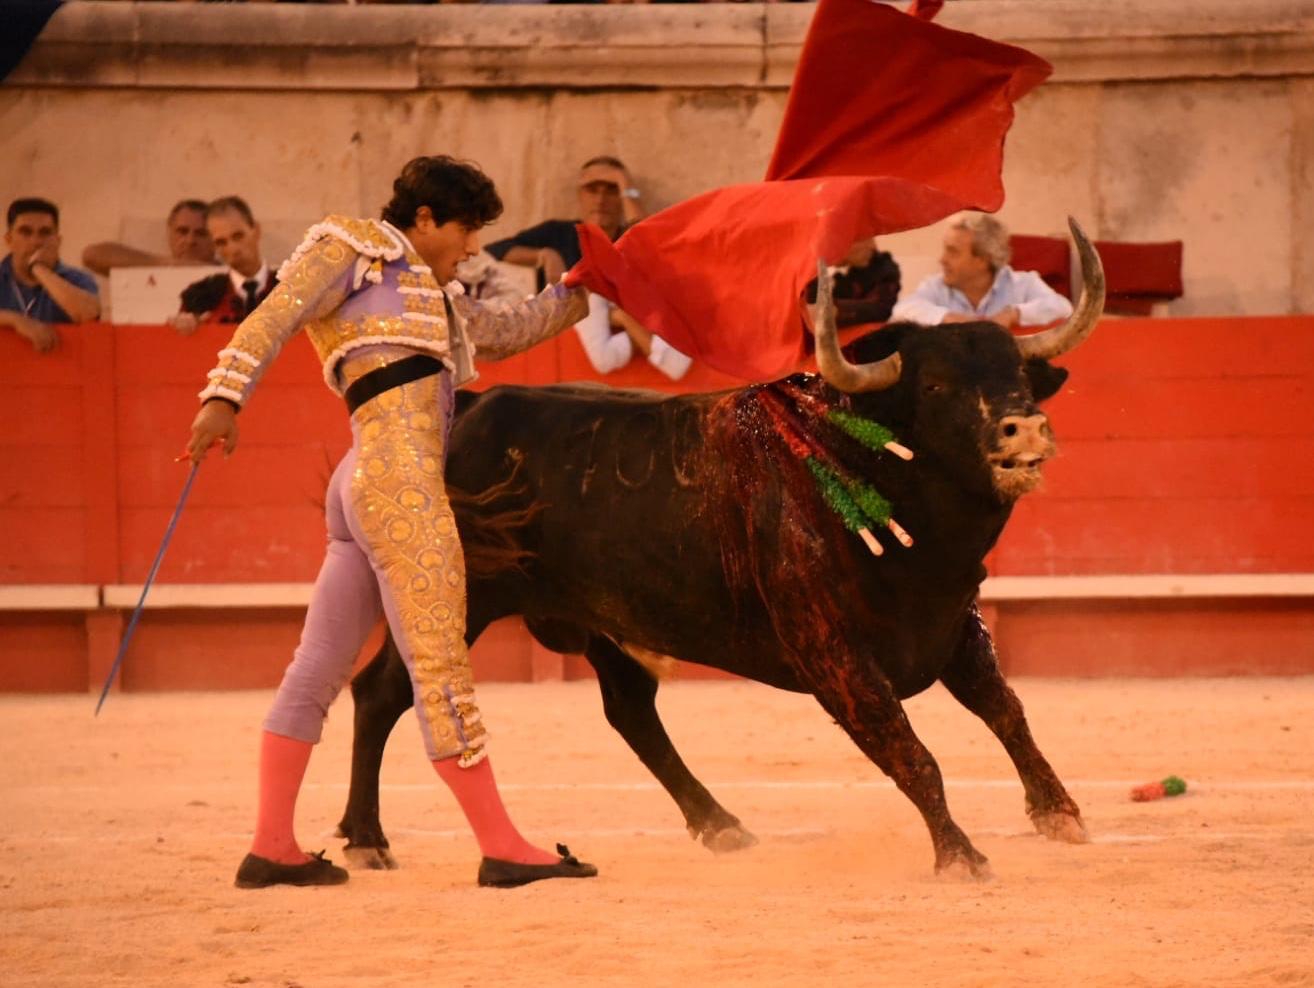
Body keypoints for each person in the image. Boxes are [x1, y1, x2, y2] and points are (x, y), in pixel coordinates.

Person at [186, 155, 598, 890]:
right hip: (399, 482)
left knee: (318, 666)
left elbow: (506, 330)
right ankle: (502, 847)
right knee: (439, 666)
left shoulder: (430, 293)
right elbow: (275, 313)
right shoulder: (351, 247)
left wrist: (581, 289)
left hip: (364, 479)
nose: (473, 246)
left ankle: (272, 846)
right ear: (426, 217)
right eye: (467, 228)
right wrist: (224, 395)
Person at [488, 156, 691, 379]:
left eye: (612, 190)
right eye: (592, 190)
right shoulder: (559, 232)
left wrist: (624, 182)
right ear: (580, 194)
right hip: (560, 362)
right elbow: (492, 252)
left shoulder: (629, 238)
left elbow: (651, 245)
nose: (600, 199)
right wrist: (543, 255)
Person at [892, 213, 1072, 329]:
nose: (942, 260)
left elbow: (1064, 308)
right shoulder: (936, 286)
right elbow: (900, 311)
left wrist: (1014, 314)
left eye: (953, 252)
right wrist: (948, 317)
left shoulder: (1023, 283)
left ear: (983, 260)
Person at [1, 197, 101, 353]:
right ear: (9, 239)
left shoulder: (76, 278)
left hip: (63, 366)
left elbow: (89, 314)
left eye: (45, 233)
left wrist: (39, 269)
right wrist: (15, 320)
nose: (36, 241)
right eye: (25, 232)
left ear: (57, 241)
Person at [173, 196, 276, 332]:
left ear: (256, 230)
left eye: (238, 236)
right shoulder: (198, 297)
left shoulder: (291, 288)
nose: (232, 249)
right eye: (221, 242)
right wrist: (182, 326)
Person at [81, 199, 217, 276]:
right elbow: (91, 255)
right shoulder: (153, 266)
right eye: (182, 231)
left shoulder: (224, 275)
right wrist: (170, 265)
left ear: (214, 240)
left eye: (201, 234)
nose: (190, 240)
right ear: (169, 233)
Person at [805, 237, 901, 328]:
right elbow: (813, 303)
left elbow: (881, 309)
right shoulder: (846, 275)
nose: (871, 246)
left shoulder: (884, 269)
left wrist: (835, 308)